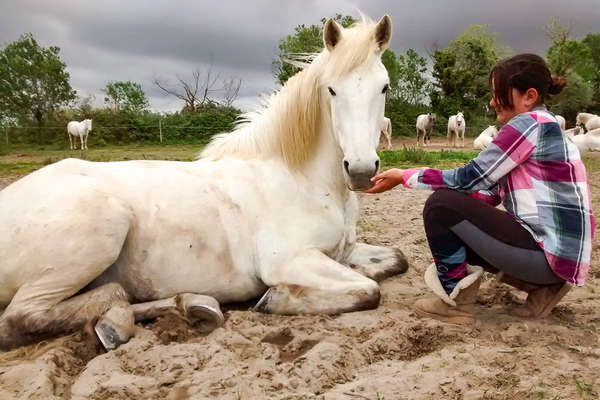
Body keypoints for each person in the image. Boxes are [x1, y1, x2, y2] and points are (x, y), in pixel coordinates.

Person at [364, 54, 594, 325]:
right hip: (557, 259)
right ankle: (544, 289)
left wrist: (405, 176)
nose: (492, 101)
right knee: (455, 212)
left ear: (529, 96)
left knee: (440, 207)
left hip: (545, 256)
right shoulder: (547, 126)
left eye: (499, 94)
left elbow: (469, 177)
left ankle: (456, 302)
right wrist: (461, 203)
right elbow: (490, 192)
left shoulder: (527, 124)